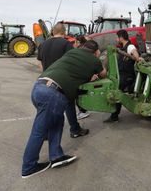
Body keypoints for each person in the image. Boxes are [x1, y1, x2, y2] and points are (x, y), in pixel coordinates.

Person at [22, 40, 106, 178]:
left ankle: (56, 156)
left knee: (57, 122)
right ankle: (28, 167)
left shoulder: (72, 52)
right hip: (52, 94)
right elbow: (103, 74)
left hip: (39, 87)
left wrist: (86, 76)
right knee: (39, 131)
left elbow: (72, 71)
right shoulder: (94, 60)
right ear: (96, 52)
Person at [37, 23, 88, 138]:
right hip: (62, 81)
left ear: (52, 32)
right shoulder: (66, 44)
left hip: (45, 80)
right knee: (69, 105)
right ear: (64, 32)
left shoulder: (42, 44)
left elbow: (39, 64)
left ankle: (45, 133)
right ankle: (75, 129)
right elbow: (73, 63)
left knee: (47, 108)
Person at [104, 29, 141, 123]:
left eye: (117, 37)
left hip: (127, 76)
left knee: (116, 89)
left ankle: (114, 116)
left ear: (121, 38)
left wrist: (137, 57)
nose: (116, 39)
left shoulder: (129, 46)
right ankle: (114, 113)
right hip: (121, 75)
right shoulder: (122, 48)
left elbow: (135, 54)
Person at [73, 35, 90, 120]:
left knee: (79, 93)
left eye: (75, 42)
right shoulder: (82, 49)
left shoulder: (80, 51)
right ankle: (83, 110)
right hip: (82, 74)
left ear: (78, 42)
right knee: (79, 93)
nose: (74, 44)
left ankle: (83, 111)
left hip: (81, 75)